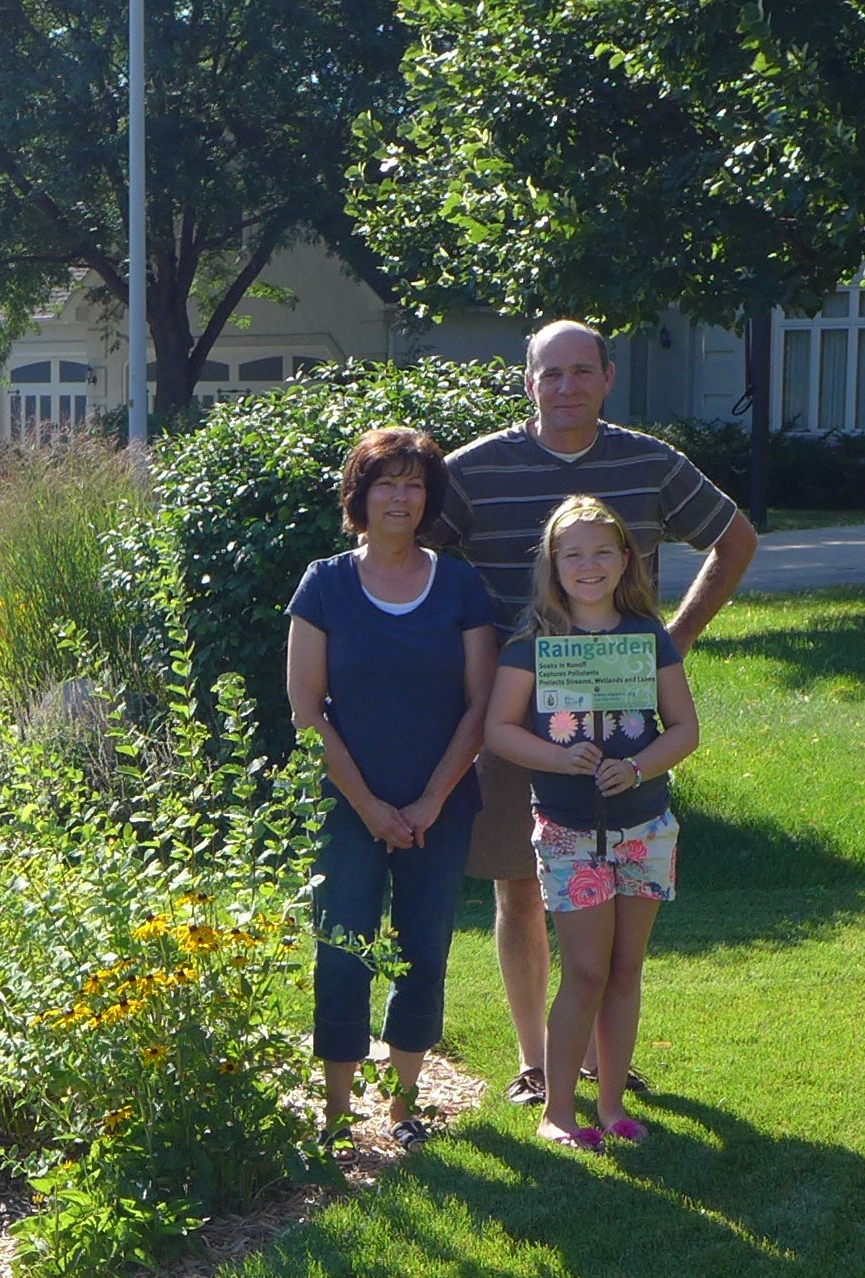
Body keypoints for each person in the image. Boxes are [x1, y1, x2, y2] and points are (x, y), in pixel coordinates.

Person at [424, 320, 756, 1108]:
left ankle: (601, 1064)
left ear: (607, 376)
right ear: (527, 381)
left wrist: (668, 643)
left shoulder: (649, 461)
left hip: (624, 733)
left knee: (615, 902)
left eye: (581, 371)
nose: (565, 386)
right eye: (550, 373)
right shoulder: (473, 471)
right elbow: (418, 559)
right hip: (513, 717)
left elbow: (735, 539)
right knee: (520, 883)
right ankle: (537, 1060)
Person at [287, 428, 497, 1145]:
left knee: (422, 951)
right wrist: (372, 807)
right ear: (360, 495)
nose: (399, 497)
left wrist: (431, 800)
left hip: (442, 804)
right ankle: (336, 1113)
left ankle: (405, 1109)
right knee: (341, 949)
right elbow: (306, 711)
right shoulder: (324, 583)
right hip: (350, 806)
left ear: (428, 495)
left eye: (413, 483)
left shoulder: (460, 584)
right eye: (385, 483)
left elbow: (480, 705)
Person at [484, 496, 699, 1151]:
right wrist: (559, 757)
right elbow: (498, 729)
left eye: (602, 550)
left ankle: (609, 1104)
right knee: (584, 969)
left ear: (624, 558)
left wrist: (634, 770)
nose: (588, 564)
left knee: (625, 967)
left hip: (644, 825)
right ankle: (556, 1107)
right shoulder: (534, 643)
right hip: (570, 830)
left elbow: (684, 728)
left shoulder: (645, 635)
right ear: (552, 563)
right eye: (572, 553)